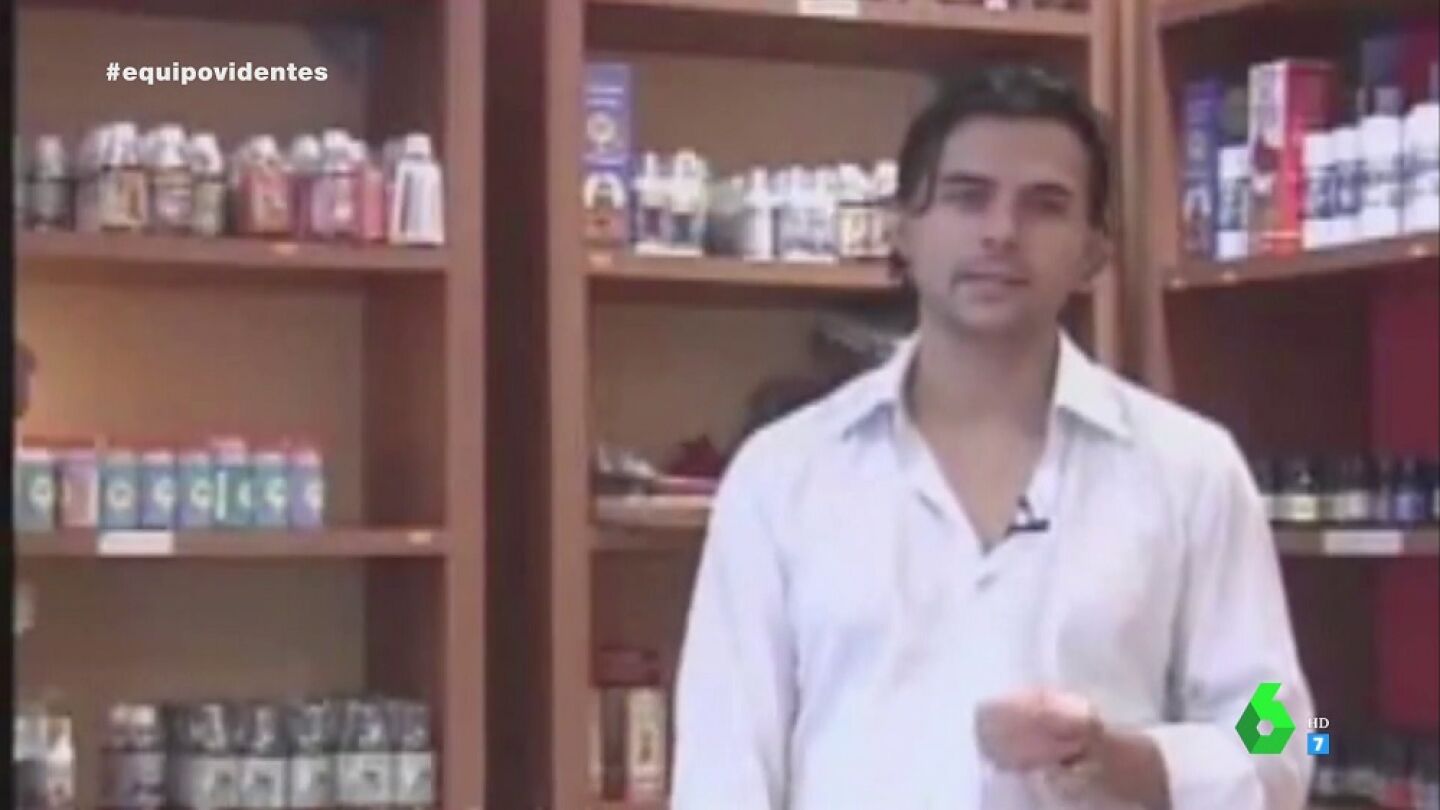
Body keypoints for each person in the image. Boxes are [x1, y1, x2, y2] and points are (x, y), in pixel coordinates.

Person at [670, 65, 1313, 810]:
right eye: (966, 196)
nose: (1001, 232)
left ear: (1094, 250)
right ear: (902, 229)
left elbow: (1292, 732)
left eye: (1045, 205)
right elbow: (721, 769)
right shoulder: (781, 477)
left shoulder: (1192, 470)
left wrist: (1136, 762)